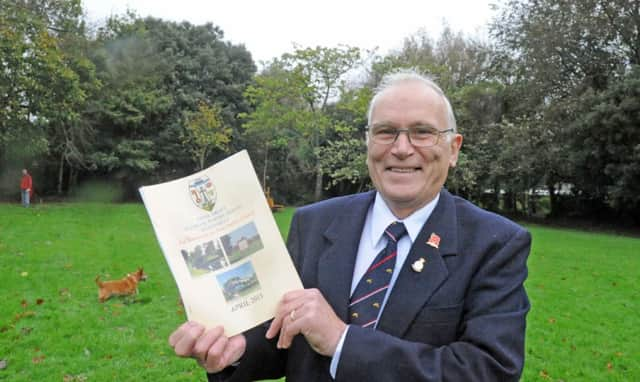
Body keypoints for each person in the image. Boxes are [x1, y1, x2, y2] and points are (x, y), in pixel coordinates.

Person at [169, 68, 531, 381]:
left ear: (453, 148)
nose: (402, 148)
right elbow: (281, 336)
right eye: (386, 131)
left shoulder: (494, 243)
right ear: (368, 142)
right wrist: (234, 351)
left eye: (422, 132)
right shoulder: (314, 223)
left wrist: (343, 342)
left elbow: (488, 371)